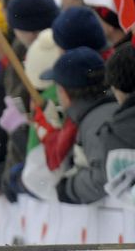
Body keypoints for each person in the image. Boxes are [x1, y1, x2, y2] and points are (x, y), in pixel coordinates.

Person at [45, 47, 118, 204]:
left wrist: (68, 188)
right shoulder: (109, 110)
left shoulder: (95, 123)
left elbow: (103, 179)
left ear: (63, 92)